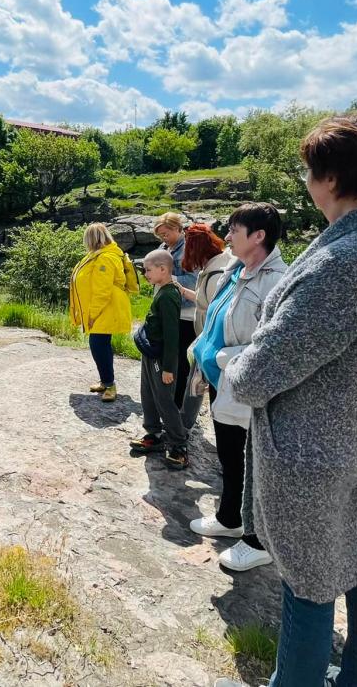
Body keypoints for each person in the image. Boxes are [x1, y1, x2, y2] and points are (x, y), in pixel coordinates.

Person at [225, 114, 357, 687]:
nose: (306, 178)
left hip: (311, 447)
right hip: (352, 430)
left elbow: (258, 376)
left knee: (307, 583)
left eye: (309, 168)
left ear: (330, 178)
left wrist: (228, 360)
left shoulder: (345, 262)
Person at [186, 204, 287, 575]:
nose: (227, 237)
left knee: (255, 465)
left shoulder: (277, 281)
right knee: (229, 455)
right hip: (222, 383)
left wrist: (225, 356)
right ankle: (231, 518)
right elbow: (215, 319)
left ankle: (259, 542)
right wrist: (202, 352)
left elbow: (276, 345)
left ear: (258, 236)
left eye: (234, 230)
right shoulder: (235, 270)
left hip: (247, 387)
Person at [129, 249, 189, 469]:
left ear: (163, 269)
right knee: (148, 393)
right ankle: (153, 434)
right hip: (151, 353)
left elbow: (173, 335)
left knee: (164, 398)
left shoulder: (168, 295)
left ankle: (178, 444)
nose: (145, 274)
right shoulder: (161, 289)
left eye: (148, 270)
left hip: (161, 357)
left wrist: (168, 368)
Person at [68, 223, 135, 403]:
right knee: (100, 344)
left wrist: (92, 314)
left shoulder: (105, 258)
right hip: (105, 309)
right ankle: (106, 382)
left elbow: (102, 291)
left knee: (99, 344)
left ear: (91, 239)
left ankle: (109, 384)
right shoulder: (101, 255)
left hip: (105, 309)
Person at [154, 212, 197, 407]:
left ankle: (180, 400)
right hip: (170, 310)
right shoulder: (164, 248)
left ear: (179, 229)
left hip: (186, 313)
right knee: (170, 353)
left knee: (178, 354)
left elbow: (194, 282)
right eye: (161, 235)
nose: (164, 238)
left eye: (167, 233)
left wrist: (167, 279)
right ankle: (173, 395)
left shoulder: (188, 250)